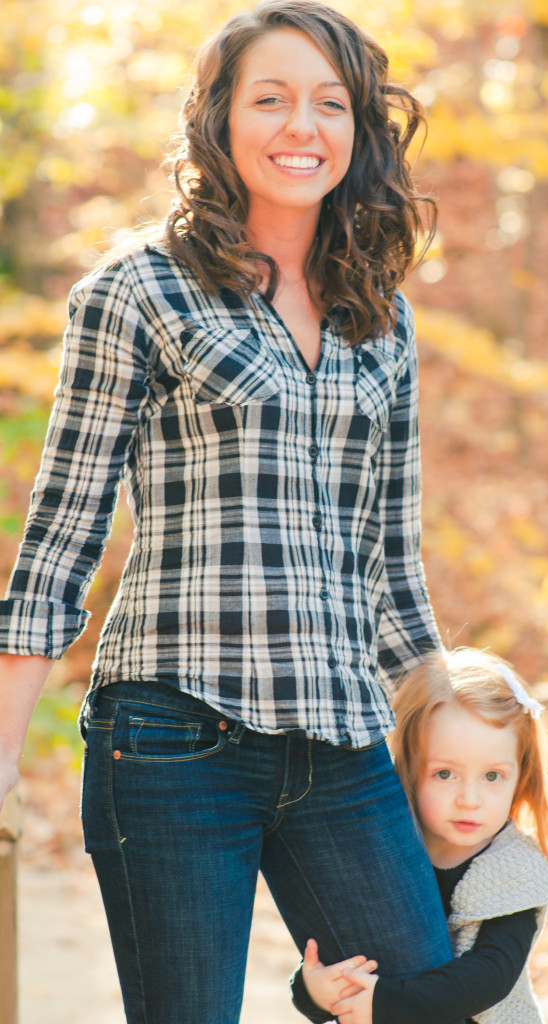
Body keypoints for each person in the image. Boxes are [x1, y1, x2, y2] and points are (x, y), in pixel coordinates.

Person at [0, 2, 461, 1022]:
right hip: (170, 740)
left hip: (341, 742)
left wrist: (462, 740)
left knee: (426, 1003)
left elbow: (390, 564)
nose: (302, 125)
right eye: (271, 98)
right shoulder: (137, 290)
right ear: (217, 118)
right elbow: (61, 536)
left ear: (360, 130)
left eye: (329, 103)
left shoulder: (379, 315)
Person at [294, 647, 548, 1024]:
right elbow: (344, 948)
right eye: (445, 774)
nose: (469, 800)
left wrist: (386, 1003)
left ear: (520, 775)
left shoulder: (516, 866)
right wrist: (313, 990)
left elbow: (490, 976)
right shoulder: (387, 847)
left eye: (492, 776)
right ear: (409, 768)